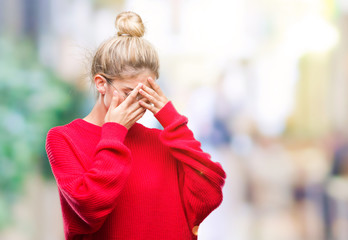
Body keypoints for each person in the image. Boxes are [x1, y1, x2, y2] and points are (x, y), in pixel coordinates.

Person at [45, 11, 226, 240]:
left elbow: (209, 193)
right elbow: (90, 207)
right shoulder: (64, 139)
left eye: (146, 94)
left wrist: (171, 119)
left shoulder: (161, 141)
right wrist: (114, 134)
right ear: (101, 84)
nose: (139, 103)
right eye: (130, 93)